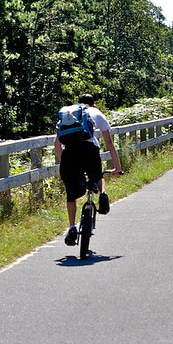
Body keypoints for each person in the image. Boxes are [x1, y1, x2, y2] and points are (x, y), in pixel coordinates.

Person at [54, 93, 123, 245]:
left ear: (78, 103)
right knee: (97, 174)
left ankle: (72, 227)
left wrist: (64, 162)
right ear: (94, 104)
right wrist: (117, 167)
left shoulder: (69, 114)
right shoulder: (96, 113)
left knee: (71, 194)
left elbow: (57, 144)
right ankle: (103, 195)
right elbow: (109, 144)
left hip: (70, 153)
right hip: (88, 150)